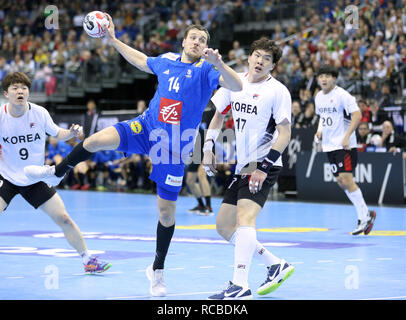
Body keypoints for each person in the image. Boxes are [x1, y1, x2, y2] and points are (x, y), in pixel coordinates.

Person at [24, 16, 242, 297]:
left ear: (206, 47)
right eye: (194, 38)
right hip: (146, 126)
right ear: (184, 41)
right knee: (95, 140)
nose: (198, 42)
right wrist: (113, 40)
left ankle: (157, 269)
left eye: (203, 40)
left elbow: (237, 87)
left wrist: (220, 63)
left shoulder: (206, 71)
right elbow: (141, 60)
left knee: (166, 214)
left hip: (172, 147)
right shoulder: (166, 60)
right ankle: (58, 172)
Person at [202, 37, 294, 300]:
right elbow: (218, 116)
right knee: (223, 226)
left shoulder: (278, 91)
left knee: (245, 219)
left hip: (263, 162)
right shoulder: (234, 82)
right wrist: (208, 147)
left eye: (267, 59)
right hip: (243, 164)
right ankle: (275, 264)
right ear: (249, 57)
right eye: (257, 55)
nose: (260, 61)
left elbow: (285, 133)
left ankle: (240, 284)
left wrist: (264, 167)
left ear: (273, 66)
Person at [0, 72, 111, 274]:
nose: (20, 91)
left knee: (64, 218)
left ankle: (88, 261)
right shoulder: (1, 116)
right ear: (6, 93)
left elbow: (57, 133)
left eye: (24, 88)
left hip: (35, 178)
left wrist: (71, 133)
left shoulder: (39, 113)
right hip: (6, 177)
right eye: (15, 88)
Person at [314, 64, 376, 236]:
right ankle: (366, 214)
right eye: (321, 76)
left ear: (334, 78)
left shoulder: (342, 95)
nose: (324, 79)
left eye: (327, 76)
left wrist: (348, 135)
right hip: (329, 145)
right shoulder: (319, 96)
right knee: (341, 182)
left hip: (344, 145)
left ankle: (364, 217)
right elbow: (322, 117)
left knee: (346, 179)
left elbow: (357, 115)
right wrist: (320, 131)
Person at [186, 103, 215, 215]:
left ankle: (209, 207)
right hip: (196, 150)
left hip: (208, 149)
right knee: (190, 180)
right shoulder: (194, 112)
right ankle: (201, 205)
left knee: (201, 175)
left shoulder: (212, 111)